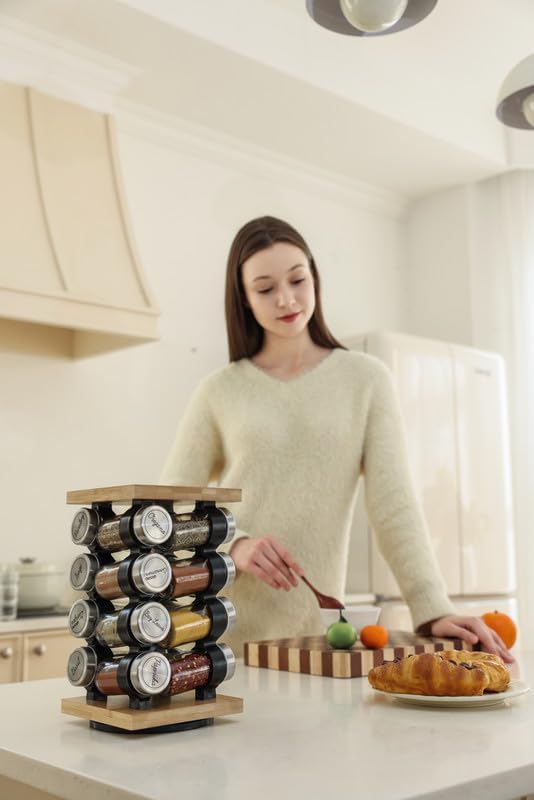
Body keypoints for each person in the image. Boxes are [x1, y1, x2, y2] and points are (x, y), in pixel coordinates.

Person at [160, 215, 513, 662]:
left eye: (297, 280)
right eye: (265, 289)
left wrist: (431, 609)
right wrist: (235, 544)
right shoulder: (219, 390)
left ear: (314, 279)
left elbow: (395, 505)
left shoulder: (365, 380)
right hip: (220, 639)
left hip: (317, 644)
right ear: (245, 299)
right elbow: (168, 508)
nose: (286, 299)